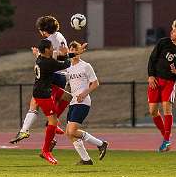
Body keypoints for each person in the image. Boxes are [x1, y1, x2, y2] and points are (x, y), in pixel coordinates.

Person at [10, 15, 80, 146]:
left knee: (35, 102)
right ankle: (51, 134)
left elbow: (53, 58)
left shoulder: (48, 42)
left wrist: (37, 54)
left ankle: (25, 130)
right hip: (62, 76)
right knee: (64, 99)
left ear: (43, 30)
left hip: (53, 74)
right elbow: (61, 55)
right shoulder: (60, 35)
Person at [147, 19, 176, 152]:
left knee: (167, 108)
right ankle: (166, 135)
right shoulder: (163, 42)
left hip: (169, 83)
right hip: (155, 81)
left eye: (175, 31)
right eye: (173, 29)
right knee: (153, 111)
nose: (172, 32)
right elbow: (152, 59)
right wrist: (150, 76)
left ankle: (166, 141)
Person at [64, 41, 108, 165]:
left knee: (72, 131)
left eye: (76, 49)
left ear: (80, 52)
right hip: (73, 102)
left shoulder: (85, 66)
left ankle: (101, 144)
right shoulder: (68, 67)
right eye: (71, 49)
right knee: (69, 133)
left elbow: (95, 83)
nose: (74, 52)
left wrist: (84, 93)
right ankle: (86, 159)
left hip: (83, 102)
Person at [32, 38, 73, 164]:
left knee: (68, 97)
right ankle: (46, 151)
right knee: (52, 121)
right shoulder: (47, 63)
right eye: (51, 48)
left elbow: (59, 61)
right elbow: (66, 64)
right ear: (46, 50)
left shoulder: (41, 58)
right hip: (43, 94)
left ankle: (53, 124)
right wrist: (68, 55)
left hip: (47, 88)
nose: (53, 49)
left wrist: (74, 53)